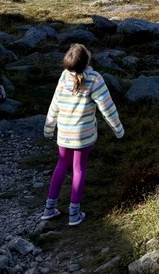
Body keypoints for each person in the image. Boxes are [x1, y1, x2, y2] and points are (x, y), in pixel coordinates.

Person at [41, 43, 124, 226]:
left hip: (63, 133)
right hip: (83, 136)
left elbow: (55, 104)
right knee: (79, 169)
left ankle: (49, 208)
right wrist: (118, 130)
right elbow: (107, 108)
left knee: (61, 165)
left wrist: (48, 129)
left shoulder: (63, 77)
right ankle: (74, 213)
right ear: (87, 61)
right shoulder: (95, 79)